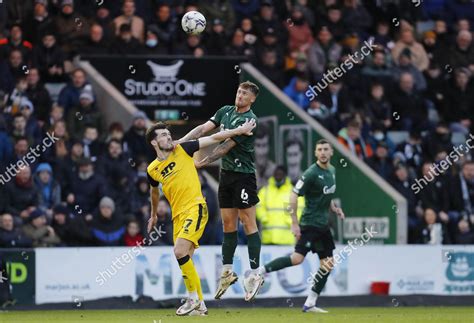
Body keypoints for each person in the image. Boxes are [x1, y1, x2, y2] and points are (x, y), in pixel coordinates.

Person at [146, 118, 256, 316]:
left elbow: (213, 137)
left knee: (179, 251)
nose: (169, 137)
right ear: (154, 142)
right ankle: (201, 307)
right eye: (163, 135)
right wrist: (153, 215)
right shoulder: (152, 169)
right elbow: (154, 193)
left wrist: (239, 129)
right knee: (185, 258)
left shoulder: (183, 149)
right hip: (177, 216)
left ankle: (192, 300)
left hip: (195, 208)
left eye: (169, 134)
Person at [178, 81, 264, 302]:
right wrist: (182, 141)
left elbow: (224, 147)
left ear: (252, 99)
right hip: (226, 175)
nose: (241, 95)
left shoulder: (250, 120)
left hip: (244, 176)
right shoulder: (225, 111)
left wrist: (202, 162)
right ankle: (227, 272)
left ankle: (255, 274)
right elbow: (203, 130)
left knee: (247, 221)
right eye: (239, 92)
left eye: (245, 94)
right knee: (228, 224)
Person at [255, 139, 344, 313]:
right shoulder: (310, 173)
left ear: (331, 152)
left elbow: (326, 194)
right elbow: (294, 196)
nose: (323, 152)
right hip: (310, 224)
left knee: (328, 264)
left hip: (323, 226)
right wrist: (295, 224)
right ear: (315, 153)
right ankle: (260, 271)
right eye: (320, 150)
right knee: (297, 259)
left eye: (326, 149)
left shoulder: (332, 171)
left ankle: (310, 302)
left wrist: (334, 208)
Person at [256, 166, 304, 245]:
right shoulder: (265, 191)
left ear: (285, 175)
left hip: (286, 238)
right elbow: (259, 205)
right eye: (276, 174)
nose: (278, 176)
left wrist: (290, 220)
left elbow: (299, 208)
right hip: (268, 237)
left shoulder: (292, 192)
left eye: (280, 174)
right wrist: (263, 218)